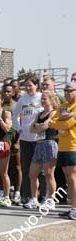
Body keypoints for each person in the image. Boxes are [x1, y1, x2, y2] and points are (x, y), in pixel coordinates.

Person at [12, 77, 45, 204]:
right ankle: (27, 196)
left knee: (41, 170)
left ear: (37, 86)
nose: (28, 88)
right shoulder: (23, 99)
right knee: (27, 168)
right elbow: (15, 115)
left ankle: (43, 196)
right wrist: (19, 128)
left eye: (30, 85)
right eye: (26, 85)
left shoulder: (41, 97)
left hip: (39, 139)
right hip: (25, 138)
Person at [24, 90, 59, 209]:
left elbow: (46, 125)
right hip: (39, 144)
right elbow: (31, 129)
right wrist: (38, 127)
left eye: (45, 99)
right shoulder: (40, 114)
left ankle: (51, 200)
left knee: (49, 174)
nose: (43, 101)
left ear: (51, 100)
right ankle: (34, 199)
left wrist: (39, 127)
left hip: (49, 144)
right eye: (42, 99)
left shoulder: (53, 113)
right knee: (32, 173)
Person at [50, 82, 76, 219]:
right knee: (68, 178)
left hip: (73, 146)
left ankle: (75, 208)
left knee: (73, 178)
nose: (67, 93)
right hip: (63, 146)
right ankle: (72, 206)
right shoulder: (63, 107)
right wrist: (62, 118)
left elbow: (68, 124)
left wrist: (61, 121)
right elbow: (52, 123)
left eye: (70, 90)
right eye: (65, 90)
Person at [2, 84, 22, 204]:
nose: (7, 93)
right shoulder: (1, 105)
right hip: (4, 139)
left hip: (16, 137)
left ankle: (18, 192)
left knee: (18, 166)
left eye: (9, 91)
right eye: (5, 91)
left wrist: (18, 142)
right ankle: (5, 192)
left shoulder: (17, 106)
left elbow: (22, 124)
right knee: (4, 168)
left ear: (14, 92)